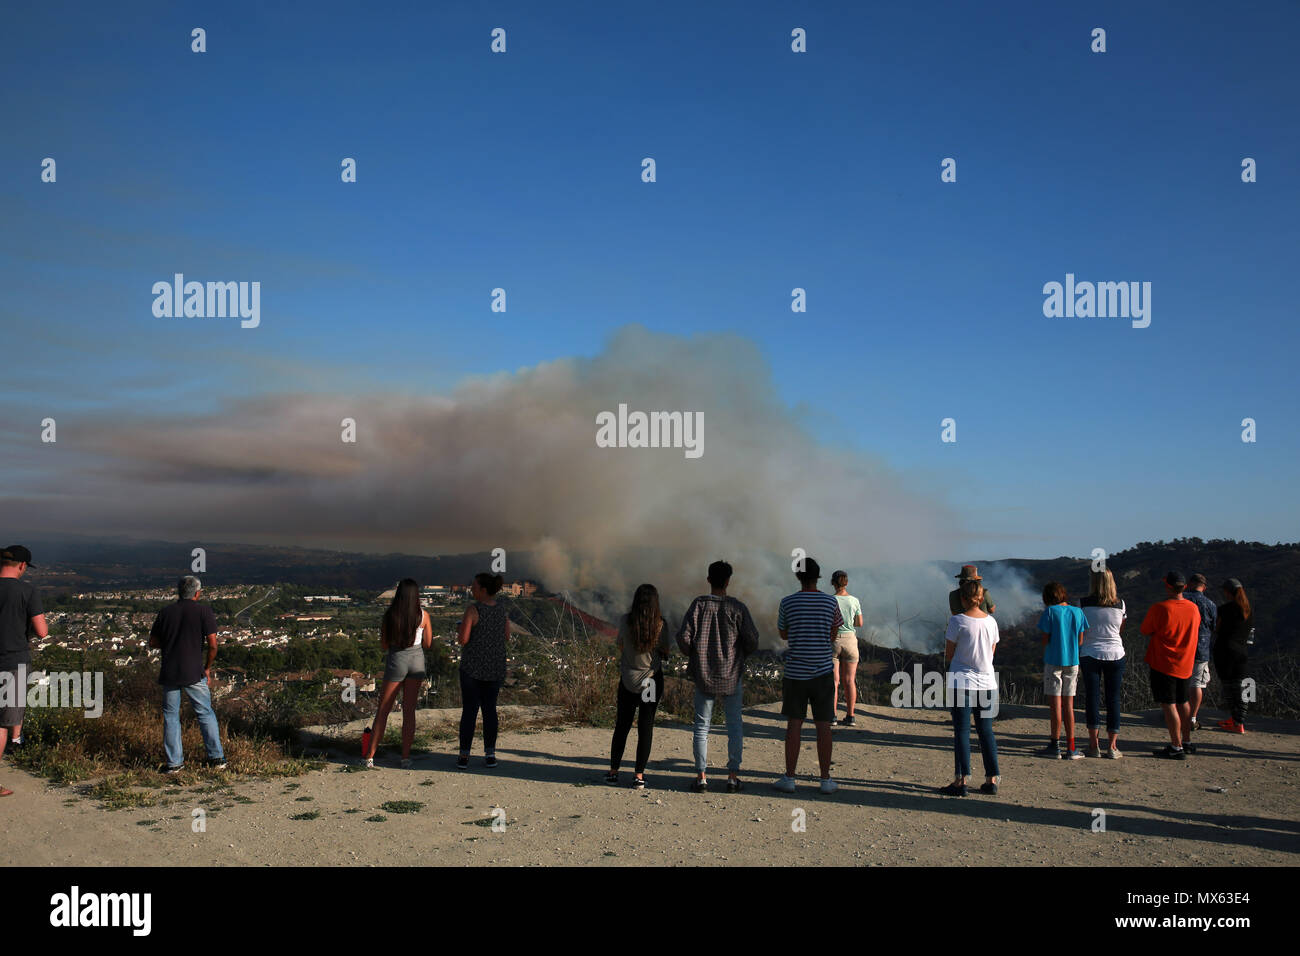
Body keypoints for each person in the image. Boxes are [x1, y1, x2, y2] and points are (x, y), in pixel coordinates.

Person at [676, 561, 760, 793]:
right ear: (728, 581)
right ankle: (732, 777)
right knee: (734, 726)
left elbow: (684, 637)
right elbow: (752, 639)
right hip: (732, 674)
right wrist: (740, 655)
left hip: (704, 674)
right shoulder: (738, 608)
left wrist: (694, 655)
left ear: (708, 579)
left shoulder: (698, 605)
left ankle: (702, 777)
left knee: (702, 726)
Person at [774, 558, 842, 794]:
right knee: (824, 726)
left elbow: (783, 633)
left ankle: (789, 778)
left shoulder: (788, 602)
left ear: (798, 577)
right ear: (818, 576)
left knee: (794, 725)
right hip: (823, 672)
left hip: (795, 674)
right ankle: (825, 780)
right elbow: (834, 632)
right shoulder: (830, 602)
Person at [149, 575, 225, 773]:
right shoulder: (203, 611)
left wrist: (173, 642)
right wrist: (207, 668)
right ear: (198, 593)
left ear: (178, 592)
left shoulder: (166, 612)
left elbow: (153, 643)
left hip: (170, 671)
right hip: (194, 671)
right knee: (205, 713)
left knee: (171, 717)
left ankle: (175, 763)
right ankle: (216, 758)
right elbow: (213, 645)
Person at [607, 583, 673, 789]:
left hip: (627, 680)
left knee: (622, 725)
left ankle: (613, 772)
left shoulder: (625, 620)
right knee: (646, 727)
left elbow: (620, 644)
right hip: (650, 681)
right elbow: (666, 651)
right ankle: (639, 775)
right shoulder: (661, 624)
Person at [363, 579, 431, 769]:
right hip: (417, 661)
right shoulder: (423, 616)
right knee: (409, 712)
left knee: (383, 710)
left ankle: (370, 756)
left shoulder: (390, 615)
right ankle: (405, 757)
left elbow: (384, 644)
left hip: (397, 659)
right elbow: (428, 643)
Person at [940, 578, 1000, 796]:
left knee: (962, 732)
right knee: (986, 732)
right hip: (987, 683)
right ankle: (992, 779)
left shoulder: (957, 621)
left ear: (963, 599)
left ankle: (961, 781)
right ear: (981, 598)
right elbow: (991, 652)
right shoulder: (991, 622)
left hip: (961, 682)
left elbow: (949, 654)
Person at [0, 546, 48, 796]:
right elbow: (42, 631)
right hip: (12, 661)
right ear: (22, 566)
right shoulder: (27, 591)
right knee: (3, 721)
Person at [1139, 571, 1200, 758]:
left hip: (1164, 663)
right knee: (1183, 702)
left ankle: (1176, 746)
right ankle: (1187, 741)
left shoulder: (1160, 608)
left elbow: (1145, 630)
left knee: (1169, 704)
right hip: (1186, 662)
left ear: (1168, 586)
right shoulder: (1193, 608)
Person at [456, 572, 510, 769]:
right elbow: (507, 636)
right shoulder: (502, 610)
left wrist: (460, 628)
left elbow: (463, 640)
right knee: (490, 711)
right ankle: (490, 753)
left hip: (473, 668)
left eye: (474, 586)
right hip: (495, 667)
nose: (471, 589)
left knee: (469, 711)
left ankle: (464, 755)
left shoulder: (473, 610)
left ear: (483, 590)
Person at [1080, 569, 1127, 758]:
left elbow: (1081, 630)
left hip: (1090, 653)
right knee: (1113, 699)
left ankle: (1094, 745)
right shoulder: (1121, 604)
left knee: (1092, 698)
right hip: (1115, 653)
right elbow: (1120, 630)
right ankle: (1112, 747)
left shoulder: (1083, 604)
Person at [1037, 582, 1088, 759]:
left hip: (1053, 661)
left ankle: (1054, 745)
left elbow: (1045, 640)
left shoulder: (1050, 612)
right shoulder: (1078, 612)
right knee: (1069, 706)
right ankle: (1071, 747)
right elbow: (1080, 640)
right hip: (1073, 662)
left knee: (1055, 705)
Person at [1213, 578, 1252, 734]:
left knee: (1229, 687)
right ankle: (1239, 720)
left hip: (1225, 651)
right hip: (1241, 651)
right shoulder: (1248, 611)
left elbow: (1217, 629)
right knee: (1242, 686)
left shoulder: (1224, 609)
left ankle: (1236, 722)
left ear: (1228, 592)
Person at [1182, 573, 1217, 732]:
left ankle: (1178, 712)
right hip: (1200, 648)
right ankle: (1192, 717)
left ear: (1189, 583)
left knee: (1179, 682)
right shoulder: (1210, 604)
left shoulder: (1181, 599)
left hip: (1180, 646)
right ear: (1204, 587)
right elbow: (1214, 626)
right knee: (1197, 683)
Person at [830, 571, 863, 726]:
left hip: (833, 640)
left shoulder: (830, 600)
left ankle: (832, 716)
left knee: (833, 681)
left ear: (833, 583)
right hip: (850, 640)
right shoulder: (855, 600)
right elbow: (860, 623)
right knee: (850, 680)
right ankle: (850, 716)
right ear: (846, 583)